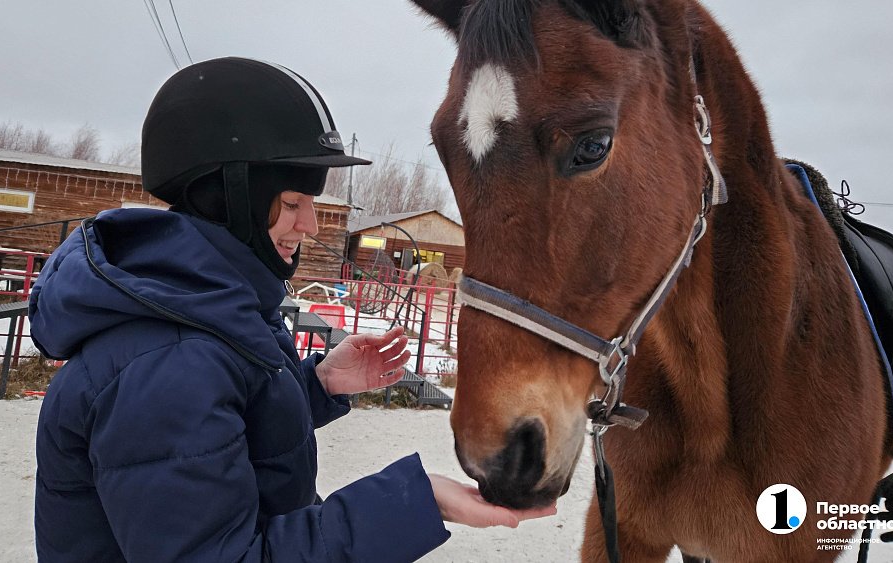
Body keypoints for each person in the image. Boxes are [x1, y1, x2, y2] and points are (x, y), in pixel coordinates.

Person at [29, 57, 554, 562]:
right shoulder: (166, 359)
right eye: (293, 202)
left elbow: (220, 420)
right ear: (229, 198)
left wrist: (319, 384)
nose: (312, 226)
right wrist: (418, 501)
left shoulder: (206, 309)